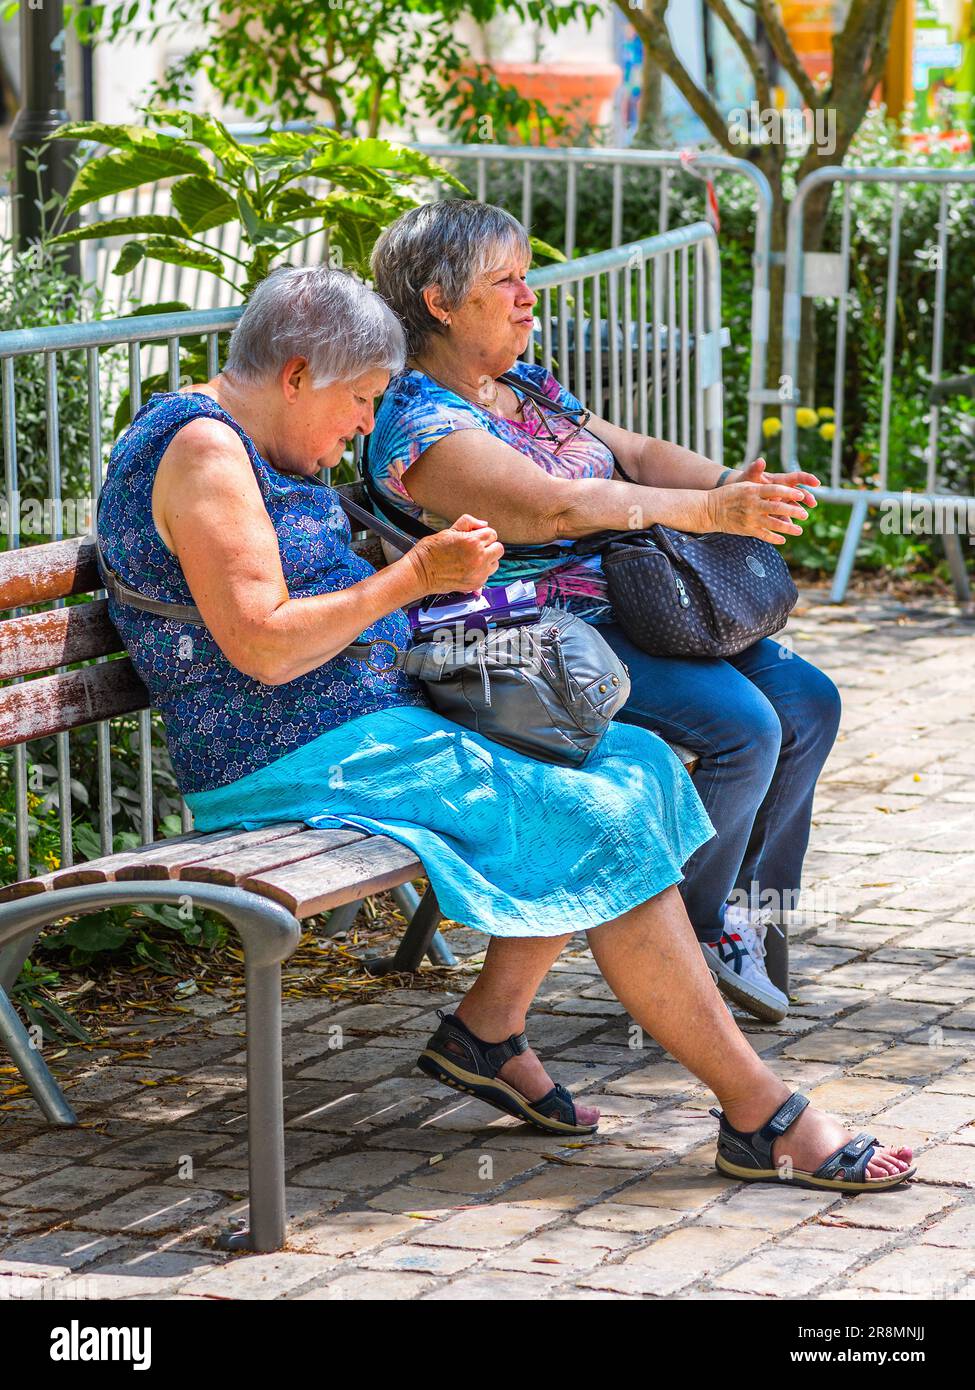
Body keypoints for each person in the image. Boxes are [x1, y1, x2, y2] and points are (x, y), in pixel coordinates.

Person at [95, 265, 913, 1191]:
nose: (364, 425)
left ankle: (487, 1029)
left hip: (368, 729)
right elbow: (265, 650)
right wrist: (410, 581)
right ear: (296, 375)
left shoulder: (255, 440)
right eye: (359, 401)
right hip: (284, 757)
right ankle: (759, 1112)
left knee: (635, 758)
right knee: (593, 817)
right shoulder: (206, 452)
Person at [367, 199, 843, 1025]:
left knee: (807, 701)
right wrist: (701, 516)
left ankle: (747, 914)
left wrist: (731, 485)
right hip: (527, 636)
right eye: (504, 281)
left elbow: (630, 453)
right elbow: (553, 509)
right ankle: (693, 935)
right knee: (744, 727)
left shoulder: (520, 381)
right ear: (438, 302)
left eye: (526, 276)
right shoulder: (421, 424)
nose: (528, 297)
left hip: (635, 608)